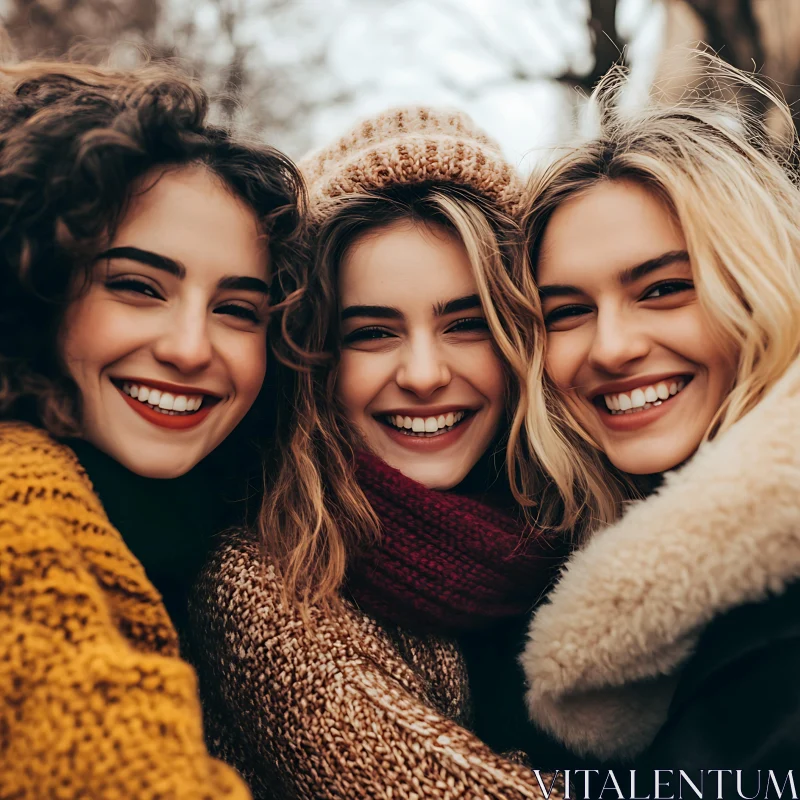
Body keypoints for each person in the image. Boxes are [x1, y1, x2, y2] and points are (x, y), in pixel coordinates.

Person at [190, 107, 568, 799]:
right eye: (372, 333)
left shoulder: (579, 532)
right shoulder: (266, 588)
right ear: (313, 361)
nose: (423, 374)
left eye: (466, 324)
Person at [0, 60, 304, 798]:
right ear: (38, 282)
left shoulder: (242, 530)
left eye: (237, 308)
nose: (190, 348)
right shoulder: (19, 510)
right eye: (138, 287)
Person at [520, 59, 800, 776]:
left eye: (665, 289)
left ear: (759, 280)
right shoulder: (550, 557)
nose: (612, 348)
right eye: (568, 312)